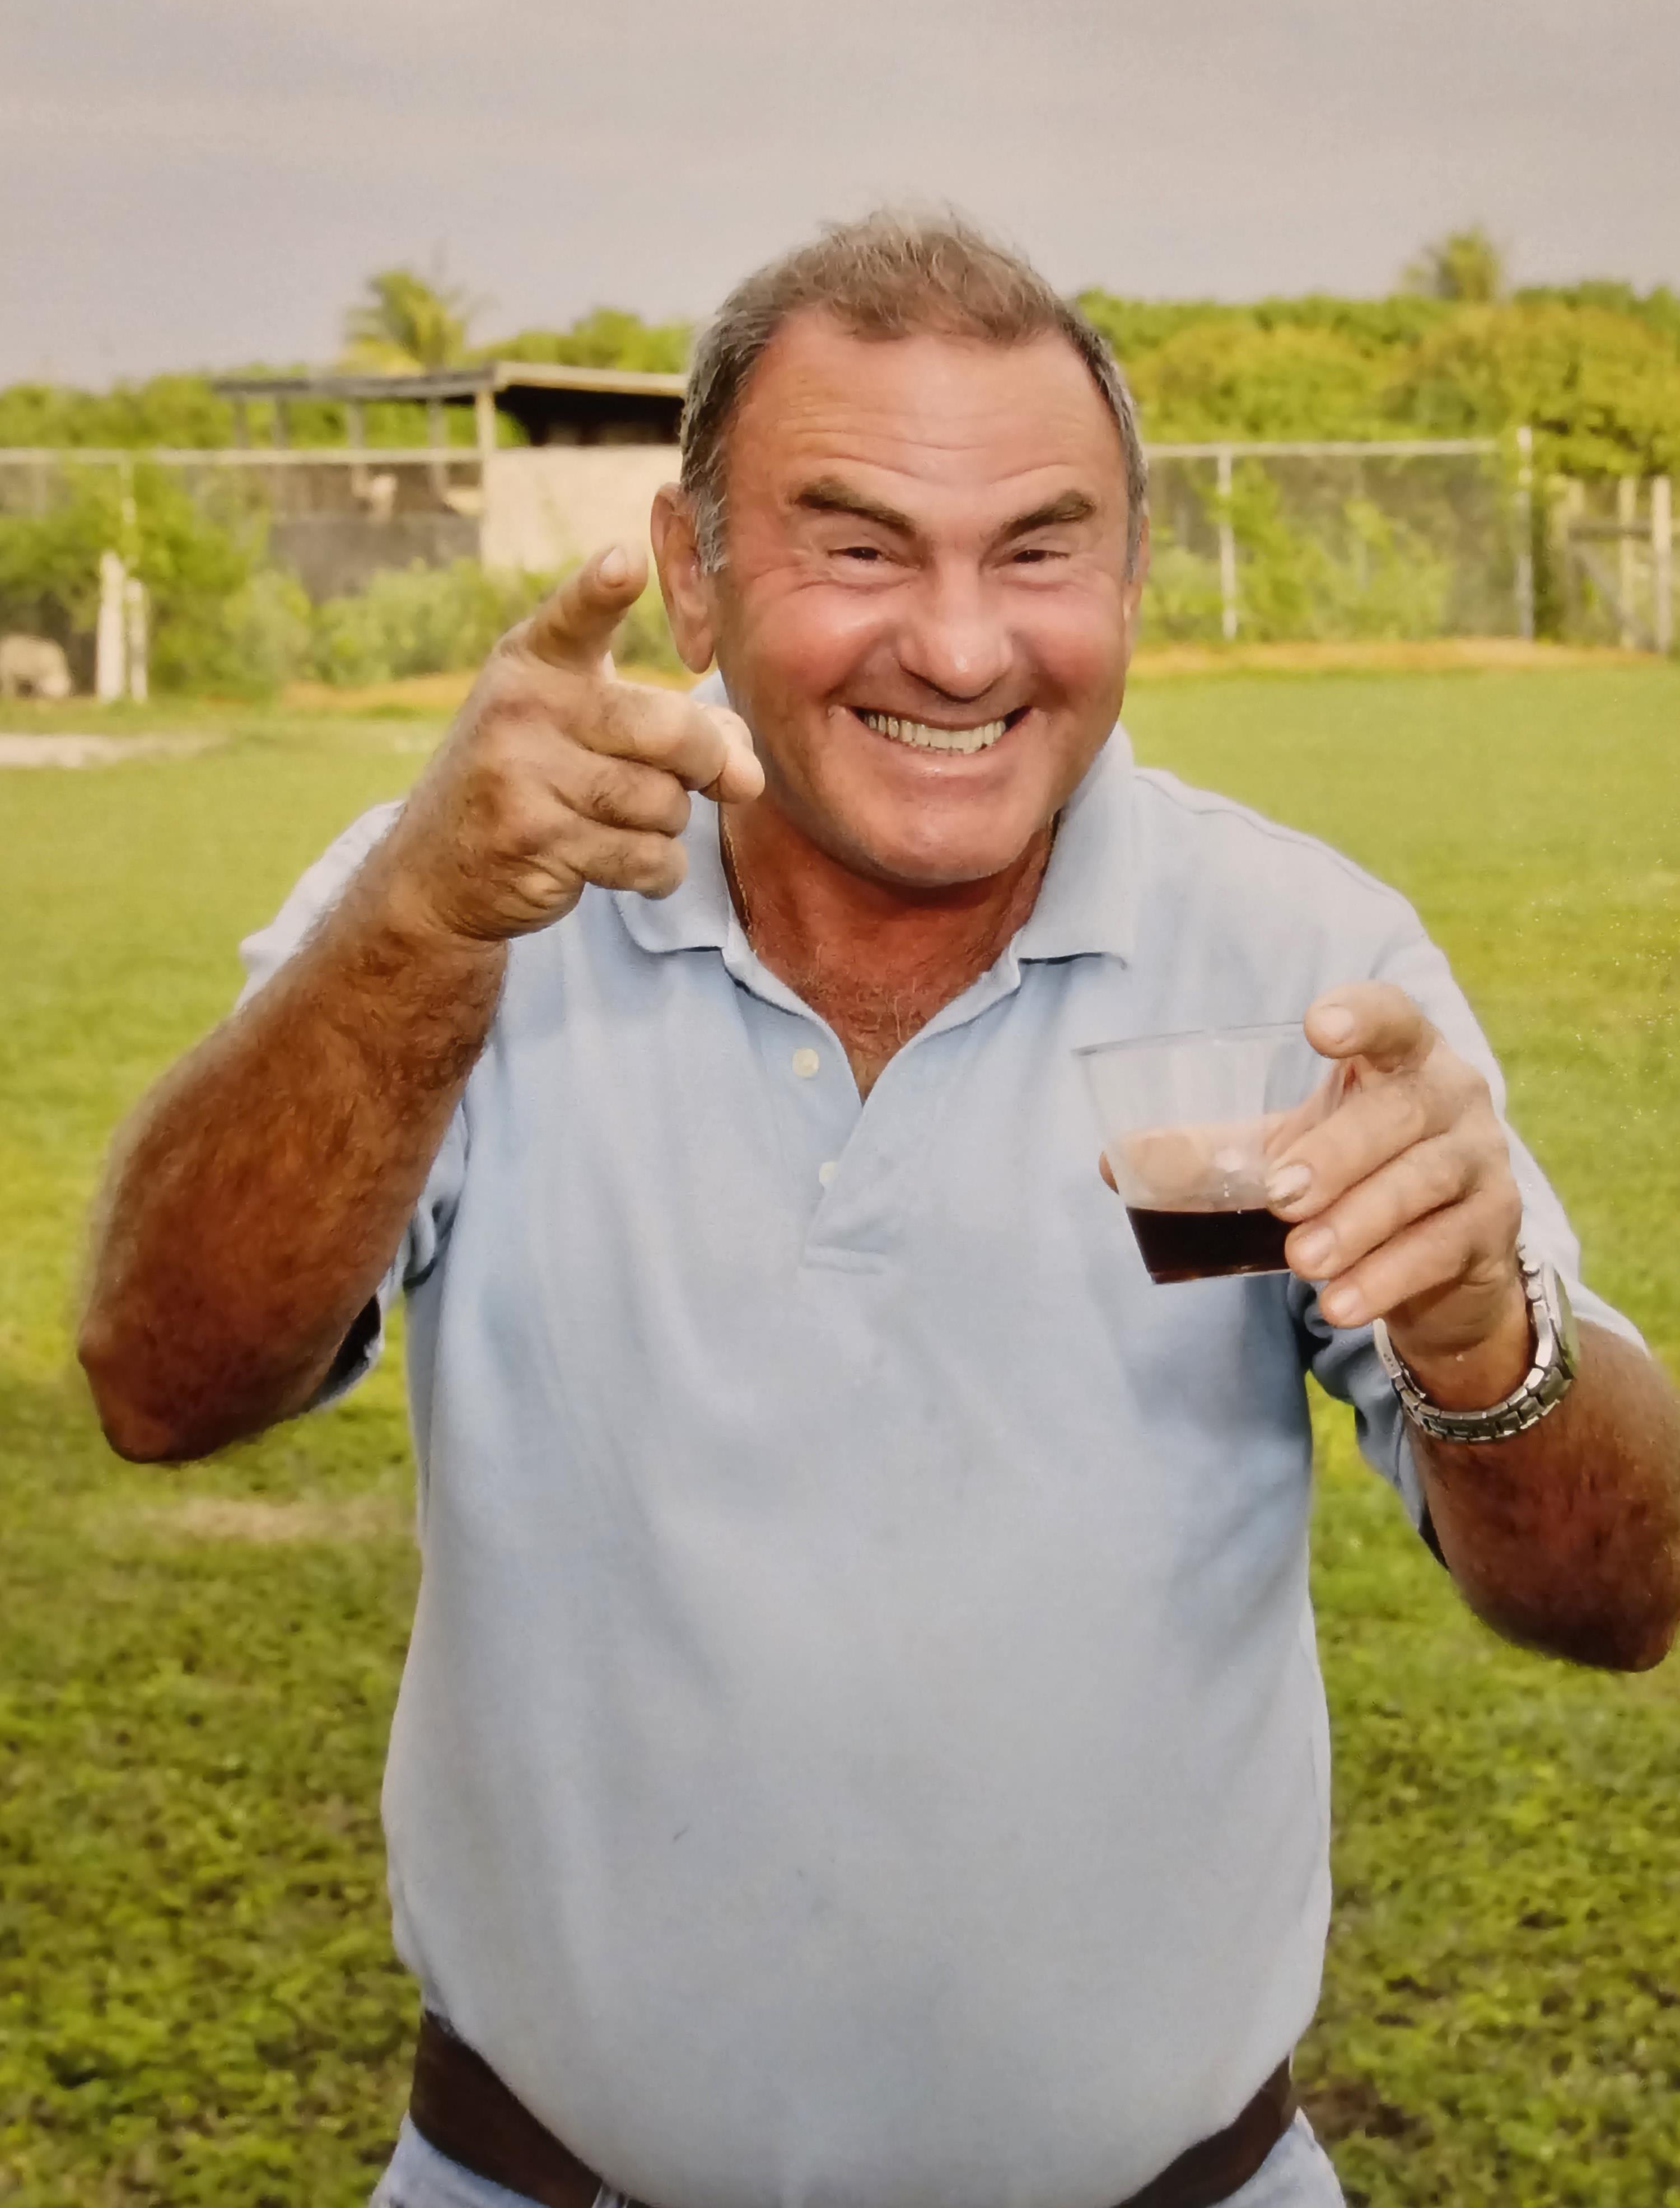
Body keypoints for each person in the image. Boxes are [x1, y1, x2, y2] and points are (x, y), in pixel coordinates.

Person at [79, 213, 1680, 2208]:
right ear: (691, 575)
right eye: (858, 547)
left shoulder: (1301, 955)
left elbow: (1625, 1598)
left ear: (1132, 574)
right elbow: (164, 1379)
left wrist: (1481, 1332)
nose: (961, 646)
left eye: (1040, 550)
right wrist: (412, 928)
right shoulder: (470, 900)